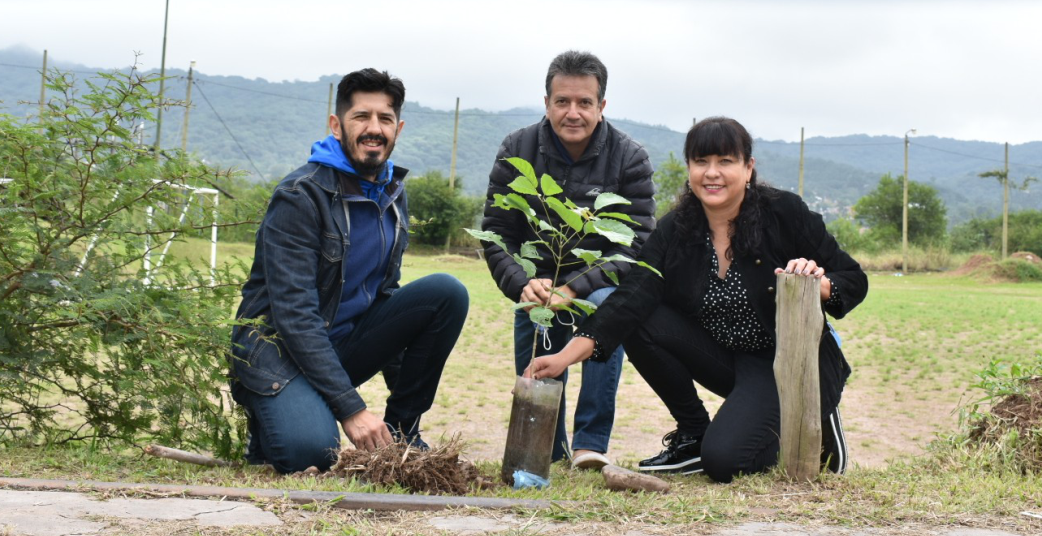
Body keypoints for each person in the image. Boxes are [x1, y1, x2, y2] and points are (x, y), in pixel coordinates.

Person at [525, 117, 868, 483]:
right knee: (643, 316)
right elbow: (632, 296)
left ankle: (816, 417)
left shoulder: (784, 213)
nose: (712, 173)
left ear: (748, 168)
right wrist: (564, 357)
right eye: (701, 161)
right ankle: (694, 432)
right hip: (732, 360)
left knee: (723, 463)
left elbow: (853, 279)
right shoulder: (677, 229)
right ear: (689, 168)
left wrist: (820, 284)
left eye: (725, 161)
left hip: (795, 362)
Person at [228, 68, 469, 474]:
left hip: (339, 352)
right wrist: (351, 408)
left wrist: (395, 417)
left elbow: (386, 300)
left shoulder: (392, 195)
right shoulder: (300, 196)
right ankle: (275, 421)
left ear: (398, 128)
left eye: (385, 119)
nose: (374, 129)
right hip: (278, 357)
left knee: (446, 292)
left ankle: (403, 431)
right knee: (313, 454)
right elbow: (294, 315)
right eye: (361, 117)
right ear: (336, 125)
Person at [481, 50, 656, 469]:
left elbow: (633, 245)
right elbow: (497, 234)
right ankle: (549, 449)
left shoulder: (629, 157)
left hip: (597, 282)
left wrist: (574, 287)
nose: (572, 112)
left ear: (602, 106)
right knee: (537, 355)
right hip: (536, 279)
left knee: (605, 312)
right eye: (562, 101)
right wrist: (522, 282)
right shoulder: (517, 148)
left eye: (584, 102)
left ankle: (589, 446)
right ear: (547, 103)